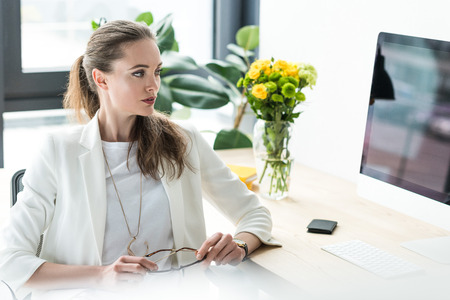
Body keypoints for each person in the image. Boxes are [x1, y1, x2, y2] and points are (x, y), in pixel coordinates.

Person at [0, 20, 278, 297]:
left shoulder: (184, 141)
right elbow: (10, 261)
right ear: (101, 79)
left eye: (156, 71)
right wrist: (102, 276)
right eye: (138, 73)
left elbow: (254, 214)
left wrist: (239, 246)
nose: (153, 85)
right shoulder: (58, 151)